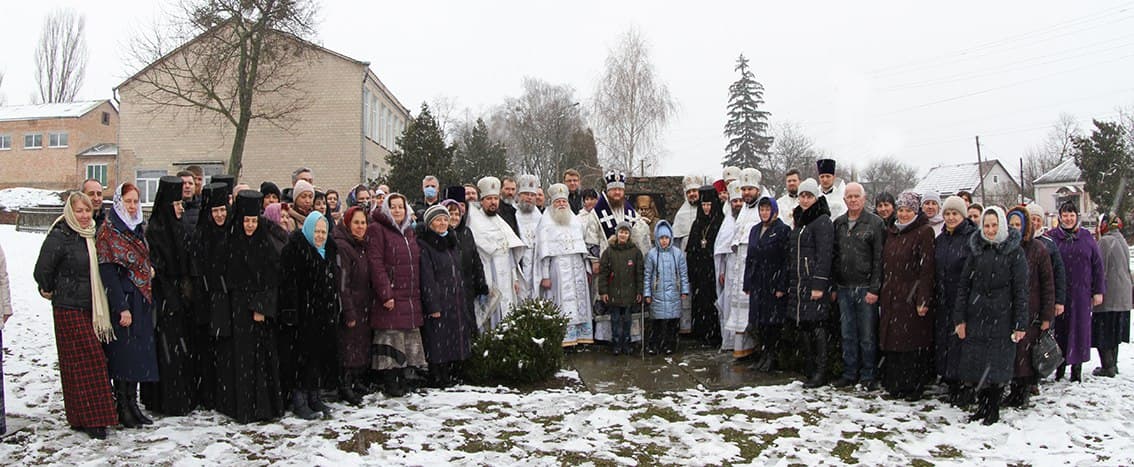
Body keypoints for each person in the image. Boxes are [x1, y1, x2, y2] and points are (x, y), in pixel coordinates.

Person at [33, 193, 118, 439]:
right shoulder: (60, 235)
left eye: (87, 211)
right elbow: (43, 269)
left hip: (92, 306)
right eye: (79, 211)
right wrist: (50, 288)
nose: (83, 216)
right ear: (70, 212)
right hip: (68, 307)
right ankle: (93, 419)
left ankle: (83, 417)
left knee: (81, 363)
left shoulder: (94, 233)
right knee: (89, 360)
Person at [954, 207, 1029, 425]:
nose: (990, 229)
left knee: (997, 364)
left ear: (1002, 226)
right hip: (977, 315)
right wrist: (960, 319)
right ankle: (982, 406)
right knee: (978, 363)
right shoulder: (976, 250)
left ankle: (993, 408)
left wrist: (1019, 323)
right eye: (986, 225)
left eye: (994, 225)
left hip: (1002, 317)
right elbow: (964, 286)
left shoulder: (1014, 252)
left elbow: (1021, 290)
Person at [215, 191, 285, 423]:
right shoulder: (231, 243)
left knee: (259, 359)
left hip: (257, 311)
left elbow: (271, 279)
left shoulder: (265, 244)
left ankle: (262, 406)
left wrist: (261, 307)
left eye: (254, 221)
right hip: (236, 309)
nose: (250, 225)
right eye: (246, 221)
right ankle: (242, 407)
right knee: (239, 358)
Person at [97, 183, 159, 428]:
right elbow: (109, 272)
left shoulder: (136, 229)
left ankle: (132, 404)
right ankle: (121, 406)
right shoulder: (108, 232)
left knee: (136, 356)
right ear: (119, 203)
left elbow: (141, 259)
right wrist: (121, 307)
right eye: (128, 202)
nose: (133, 207)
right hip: (123, 301)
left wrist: (147, 271)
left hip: (140, 299)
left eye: (135, 201)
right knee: (123, 355)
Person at [141, 176, 197, 416]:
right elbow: (158, 266)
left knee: (180, 352)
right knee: (166, 352)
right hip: (164, 300)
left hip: (180, 299)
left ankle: (182, 397)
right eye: (176, 204)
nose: (180, 208)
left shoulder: (179, 226)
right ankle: (165, 400)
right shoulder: (155, 230)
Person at [279, 211, 339, 420]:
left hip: (322, 315)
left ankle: (315, 395)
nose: (320, 236)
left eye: (323, 232)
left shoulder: (329, 251)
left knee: (317, 357)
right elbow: (288, 286)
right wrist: (291, 313)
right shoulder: (294, 251)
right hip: (302, 315)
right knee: (300, 358)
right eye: (316, 231)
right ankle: (299, 399)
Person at [878, 191, 936, 401]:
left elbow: (927, 269)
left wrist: (923, 298)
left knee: (912, 344)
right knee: (893, 343)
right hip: (892, 295)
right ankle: (896, 385)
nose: (903, 214)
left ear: (915, 211)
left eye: (908, 210)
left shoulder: (924, 232)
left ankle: (914, 386)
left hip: (911, 297)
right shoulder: (892, 232)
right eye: (901, 210)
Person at [367, 193, 426, 397]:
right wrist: (385, 293)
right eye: (393, 207)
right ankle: (390, 381)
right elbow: (375, 263)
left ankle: (403, 378)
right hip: (391, 294)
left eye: (401, 206)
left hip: (408, 295)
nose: (398, 210)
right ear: (386, 209)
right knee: (391, 338)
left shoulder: (409, 231)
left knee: (406, 339)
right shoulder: (377, 229)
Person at [831, 182, 885, 389]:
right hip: (844, 288)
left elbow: (879, 259)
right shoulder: (839, 223)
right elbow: (835, 257)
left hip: (865, 289)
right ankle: (849, 372)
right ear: (844, 200)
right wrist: (834, 286)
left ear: (864, 199)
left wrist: (874, 288)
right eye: (849, 196)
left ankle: (868, 375)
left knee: (867, 335)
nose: (853, 200)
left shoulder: (874, 223)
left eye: (856, 196)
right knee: (847, 334)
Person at [1046, 202, 1105, 382]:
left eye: (1071, 215)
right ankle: (1059, 368)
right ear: (1060, 217)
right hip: (1060, 294)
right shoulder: (1052, 238)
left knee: (1079, 331)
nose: (1068, 219)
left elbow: (1097, 266)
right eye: (1065, 215)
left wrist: (1098, 291)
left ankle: (1077, 370)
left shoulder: (1086, 238)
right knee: (1060, 332)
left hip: (1081, 294)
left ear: (1076, 217)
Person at [784, 178, 835, 388]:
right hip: (799, 282)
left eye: (809, 196)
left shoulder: (822, 220)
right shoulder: (800, 219)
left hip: (813, 282)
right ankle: (809, 367)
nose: (805, 200)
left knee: (817, 326)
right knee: (804, 325)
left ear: (816, 197)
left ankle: (821, 371)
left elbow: (824, 255)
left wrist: (819, 284)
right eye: (802, 196)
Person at [1004, 207, 1054, 407]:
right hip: (1009, 308)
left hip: (1031, 309)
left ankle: (1022, 392)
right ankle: (1014, 389)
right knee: (1014, 354)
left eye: (1018, 224)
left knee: (1026, 355)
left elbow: (1048, 284)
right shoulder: (1005, 247)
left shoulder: (1038, 249)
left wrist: (1046, 315)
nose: (1014, 228)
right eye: (1011, 225)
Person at [418, 205, 472, 387]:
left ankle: (451, 372)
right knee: (437, 340)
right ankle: (437, 376)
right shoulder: (425, 245)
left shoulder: (451, 242)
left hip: (454, 298)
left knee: (453, 337)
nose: (442, 223)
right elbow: (427, 278)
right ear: (430, 223)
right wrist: (432, 304)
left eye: (445, 220)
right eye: (438, 220)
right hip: (438, 299)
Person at [535, 184, 595, 349]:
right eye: (558, 202)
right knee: (562, 304)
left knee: (580, 303)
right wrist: (545, 276)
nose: (561, 204)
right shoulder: (545, 222)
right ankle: (564, 340)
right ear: (552, 203)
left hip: (577, 267)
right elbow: (544, 252)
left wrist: (587, 269)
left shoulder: (574, 221)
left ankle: (580, 338)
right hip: (558, 268)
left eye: (564, 201)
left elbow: (583, 246)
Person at [188, 182, 229, 411]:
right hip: (206, 300)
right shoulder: (201, 235)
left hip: (226, 301)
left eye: (223, 210)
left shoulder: (231, 233)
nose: (220, 215)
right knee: (206, 350)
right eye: (215, 210)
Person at [933, 196, 977, 405]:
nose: (951, 218)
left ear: (963, 215)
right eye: (948, 214)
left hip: (963, 298)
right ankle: (949, 380)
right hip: (943, 298)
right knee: (945, 340)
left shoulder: (971, 238)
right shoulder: (941, 239)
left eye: (955, 214)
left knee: (961, 341)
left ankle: (964, 383)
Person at [467, 177, 527, 332]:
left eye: (495, 198)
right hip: (490, 274)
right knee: (492, 313)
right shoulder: (474, 221)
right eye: (489, 199)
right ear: (482, 201)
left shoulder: (501, 221)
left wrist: (514, 277)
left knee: (508, 310)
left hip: (507, 276)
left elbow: (511, 252)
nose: (493, 202)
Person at [743, 197, 790, 372]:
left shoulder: (782, 230)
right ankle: (762, 354)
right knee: (760, 321)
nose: (764, 213)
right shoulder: (755, 230)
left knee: (772, 322)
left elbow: (786, 260)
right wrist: (747, 282)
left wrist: (781, 285)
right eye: (761, 209)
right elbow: (750, 258)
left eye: (767, 209)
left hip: (773, 280)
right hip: (758, 282)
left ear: (774, 211)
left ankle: (772, 355)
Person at [332, 206, 373, 405]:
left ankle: (356, 380)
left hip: (363, 303)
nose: (360, 227)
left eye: (363, 223)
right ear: (348, 224)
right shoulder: (343, 246)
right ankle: (344, 385)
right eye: (356, 223)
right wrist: (348, 311)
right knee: (348, 347)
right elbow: (343, 283)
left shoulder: (360, 245)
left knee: (359, 344)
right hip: (350, 305)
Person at [442, 191, 489, 360]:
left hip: (466, 288)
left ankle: (467, 362)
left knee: (467, 327)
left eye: (457, 213)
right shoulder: (439, 236)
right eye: (450, 213)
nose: (454, 217)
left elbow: (476, 261)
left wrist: (481, 285)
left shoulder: (467, 233)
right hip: (446, 292)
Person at [723, 168, 764, 360]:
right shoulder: (743, 211)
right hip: (741, 270)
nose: (746, 193)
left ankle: (758, 351)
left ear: (758, 189)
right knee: (740, 311)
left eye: (750, 189)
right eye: (744, 189)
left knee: (755, 312)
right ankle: (742, 349)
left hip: (756, 271)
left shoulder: (762, 210)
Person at [1091, 214, 1131, 378]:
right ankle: (1112, 364)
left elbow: (1100, 269)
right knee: (1115, 333)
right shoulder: (1121, 240)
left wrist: (1095, 290)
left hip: (1110, 296)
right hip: (1123, 296)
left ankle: (1107, 366)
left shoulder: (1106, 241)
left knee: (1104, 332)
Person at [644, 221, 690, 355]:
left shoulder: (677, 254)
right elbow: (647, 275)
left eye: (666, 238)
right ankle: (654, 344)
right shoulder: (652, 254)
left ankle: (670, 345)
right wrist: (647, 293)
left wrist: (684, 290)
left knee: (672, 322)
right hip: (657, 293)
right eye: (661, 238)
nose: (664, 241)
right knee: (656, 322)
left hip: (674, 293)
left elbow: (683, 273)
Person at [599, 221, 644, 355]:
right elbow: (603, 273)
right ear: (617, 233)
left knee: (627, 320)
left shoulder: (635, 252)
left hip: (629, 293)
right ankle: (616, 343)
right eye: (621, 232)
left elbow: (639, 273)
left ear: (629, 235)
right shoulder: (609, 251)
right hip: (613, 293)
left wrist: (639, 291)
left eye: (625, 232)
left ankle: (627, 343)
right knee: (615, 320)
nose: (623, 235)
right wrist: (603, 291)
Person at [687, 186, 724, 345]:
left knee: (713, 300)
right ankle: (701, 333)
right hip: (699, 271)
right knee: (700, 301)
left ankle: (714, 334)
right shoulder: (697, 224)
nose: (706, 208)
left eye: (709, 205)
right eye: (703, 205)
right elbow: (691, 249)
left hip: (713, 269)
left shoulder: (720, 222)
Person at [714, 181, 745, 352]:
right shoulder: (727, 222)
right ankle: (730, 342)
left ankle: (744, 345)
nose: (738, 204)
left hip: (745, 269)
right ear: (730, 203)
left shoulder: (749, 218)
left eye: (740, 201)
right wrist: (722, 270)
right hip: (731, 268)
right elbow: (721, 249)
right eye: (735, 201)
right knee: (728, 306)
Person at [515, 174, 544, 298]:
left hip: (537, 261)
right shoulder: (513, 215)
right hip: (520, 260)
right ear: (519, 195)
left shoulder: (541, 217)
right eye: (526, 194)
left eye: (532, 195)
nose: (529, 198)